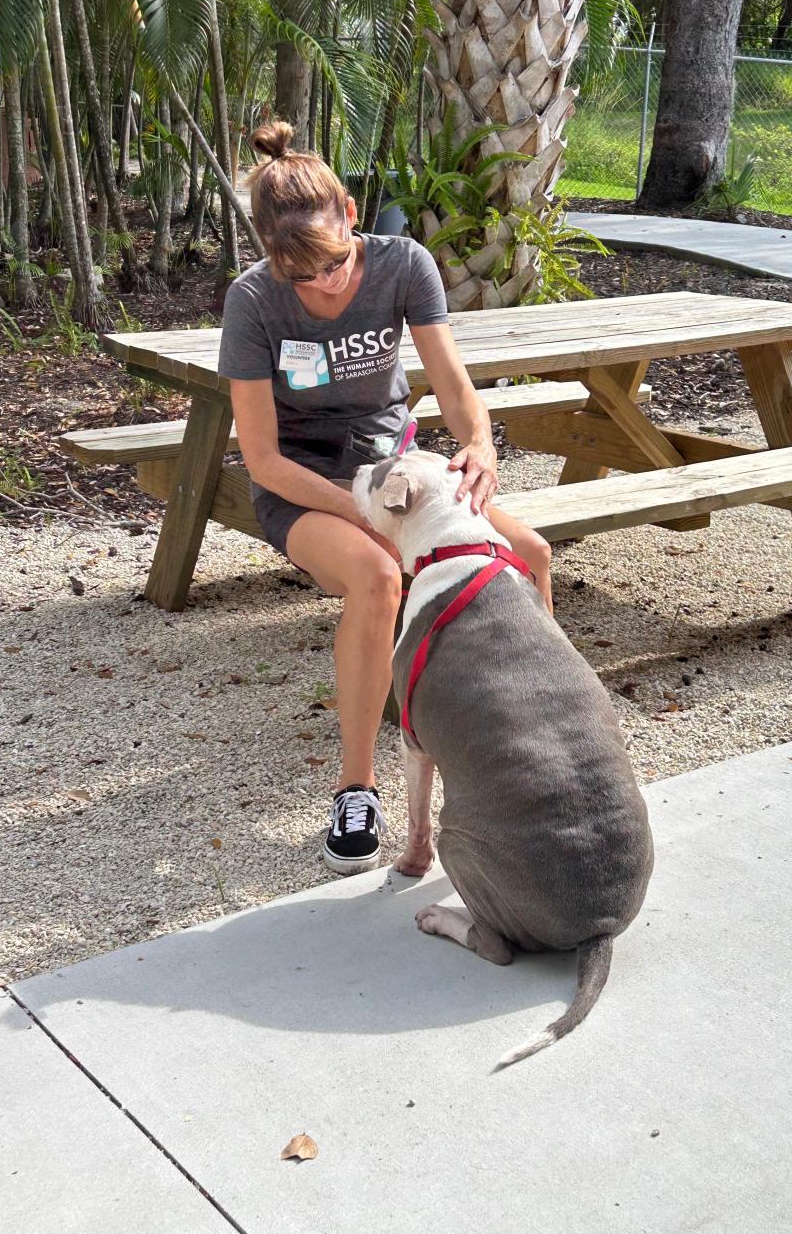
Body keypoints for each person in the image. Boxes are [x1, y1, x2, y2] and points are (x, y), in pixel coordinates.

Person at [219, 121, 552, 876]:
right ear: (273, 260)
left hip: (393, 469)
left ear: (349, 210)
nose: (326, 284)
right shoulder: (253, 301)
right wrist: (361, 514)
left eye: (334, 265)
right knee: (377, 577)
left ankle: (537, 734)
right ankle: (356, 789)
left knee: (529, 555)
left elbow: (452, 381)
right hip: (305, 486)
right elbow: (263, 460)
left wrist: (479, 444)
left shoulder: (405, 264)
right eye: (303, 276)